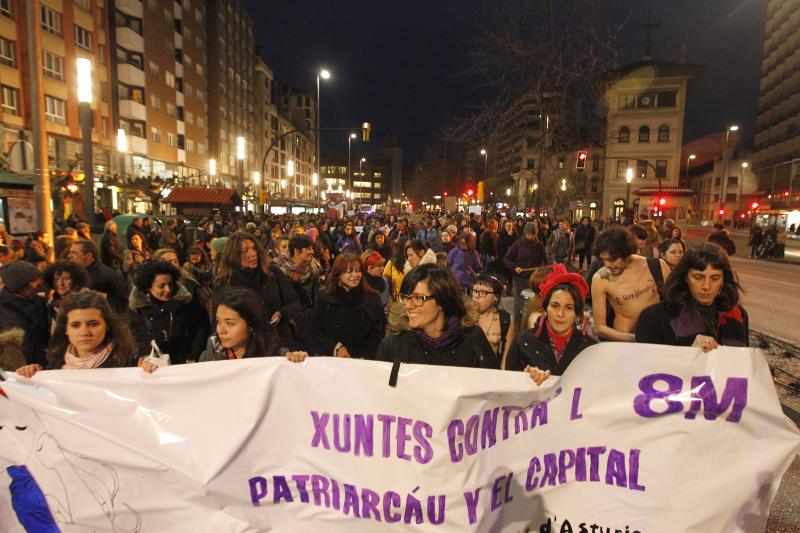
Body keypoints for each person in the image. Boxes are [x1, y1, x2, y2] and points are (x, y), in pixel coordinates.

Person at [376, 264, 498, 368]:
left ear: (442, 301)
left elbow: (493, 387)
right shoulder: (393, 346)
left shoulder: (472, 338)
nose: (408, 306)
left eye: (418, 298)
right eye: (406, 298)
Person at [635, 243, 749, 348]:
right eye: (698, 277)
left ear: (724, 279)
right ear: (685, 277)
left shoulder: (739, 314)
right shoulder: (655, 316)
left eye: (715, 278)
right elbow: (645, 365)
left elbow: (743, 362)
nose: (706, 286)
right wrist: (688, 354)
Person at [505, 264, 596, 382]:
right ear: (545, 308)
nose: (560, 314)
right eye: (555, 305)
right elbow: (508, 386)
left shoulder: (590, 349)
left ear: (577, 313)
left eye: (569, 308)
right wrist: (524, 378)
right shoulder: (522, 342)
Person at [15, 291, 137, 378]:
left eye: (93, 324)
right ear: (66, 329)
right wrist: (31, 375)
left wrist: (150, 371)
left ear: (107, 325)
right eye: (75, 325)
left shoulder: (129, 364)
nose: (84, 332)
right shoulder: (55, 362)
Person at [213, 231, 300, 346]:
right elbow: (218, 320)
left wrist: (281, 314)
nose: (253, 254)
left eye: (254, 248)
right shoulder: (225, 282)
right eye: (245, 250)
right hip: (245, 346)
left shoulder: (272, 273)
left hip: (279, 340)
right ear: (233, 255)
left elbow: (294, 302)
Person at [591, 227, 670, 342]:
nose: (607, 265)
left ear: (626, 253)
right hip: (624, 344)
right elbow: (600, 328)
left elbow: (677, 306)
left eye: (612, 259)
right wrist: (636, 338)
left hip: (658, 342)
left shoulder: (657, 266)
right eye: (603, 260)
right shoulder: (600, 279)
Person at [194, 286, 306, 362]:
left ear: (252, 325)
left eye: (230, 323)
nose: (221, 330)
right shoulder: (208, 358)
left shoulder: (276, 357)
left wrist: (298, 361)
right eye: (218, 321)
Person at [126, 260, 205, 364]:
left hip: (183, 365)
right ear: (149, 287)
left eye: (170, 285)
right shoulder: (138, 310)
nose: (168, 289)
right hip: (154, 367)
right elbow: (135, 341)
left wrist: (193, 355)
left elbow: (199, 331)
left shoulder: (185, 304)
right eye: (161, 286)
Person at [311, 253, 385, 359]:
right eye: (349, 271)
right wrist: (335, 348)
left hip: (364, 361)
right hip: (334, 362)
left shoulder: (373, 297)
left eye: (358, 270)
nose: (355, 275)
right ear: (338, 275)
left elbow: (378, 333)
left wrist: (365, 357)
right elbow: (316, 331)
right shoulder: (324, 297)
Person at [0, 261, 49, 366]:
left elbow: (44, 334)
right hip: (12, 371)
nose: (39, 283)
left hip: (39, 367)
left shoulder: (40, 302)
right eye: (34, 280)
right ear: (19, 287)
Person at [66, 239, 129, 313]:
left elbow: (121, 306)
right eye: (70, 252)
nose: (69, 256)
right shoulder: (74, 272)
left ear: (88, 256)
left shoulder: (109, 276)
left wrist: (94, 295)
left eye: (74, 253)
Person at [504, 222, 547, 327]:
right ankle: (517, 328)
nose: (531, 237)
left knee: (533, 304)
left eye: (533, 235)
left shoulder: (539, 245)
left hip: (533, 279)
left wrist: (541, 269)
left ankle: (531, 326)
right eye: (529, 234)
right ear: (525, 233)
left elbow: (545, 262)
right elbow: (507, 258)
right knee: (519, 304)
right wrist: (515, 267)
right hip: (520, 278)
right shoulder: (518, 244)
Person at [471, 273, 514, 363]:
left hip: (492, 372)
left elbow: (506, 357)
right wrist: (470, 316)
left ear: (496, 297)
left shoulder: (505, 320)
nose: (476, 296)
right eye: (475, 291)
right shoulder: (464, 317)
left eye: (483, 293)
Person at [274, 234, 322, 311]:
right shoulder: (279, 272)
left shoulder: (314, 267)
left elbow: (317, 291)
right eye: (308, 249)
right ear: (296, 251)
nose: (312, 251)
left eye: (312, 248)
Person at [42, 260, 90, 333]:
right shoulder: (51, 303)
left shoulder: (89, 300)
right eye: (56, 280)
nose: (61, 283)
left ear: (75, 280)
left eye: (66, 279)